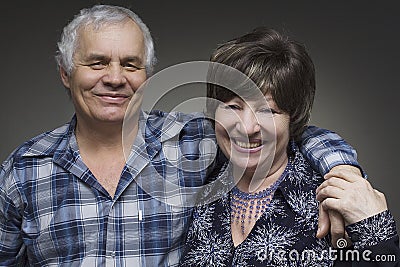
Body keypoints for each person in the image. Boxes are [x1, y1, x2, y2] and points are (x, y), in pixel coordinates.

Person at [0, 5, 364, 266]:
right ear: (65, 72)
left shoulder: (189, 141)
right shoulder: (23, 170)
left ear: (147, 74)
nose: (114, 78)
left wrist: (342, 173)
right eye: (97, 63)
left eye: (131, 64)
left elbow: (286, 130)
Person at [180, 28, 399, 266]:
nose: (247, 127)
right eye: (233, 106)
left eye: (268, 110)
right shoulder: (195, 182)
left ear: (292, 118)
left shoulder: (331, 198)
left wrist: (375, 228)